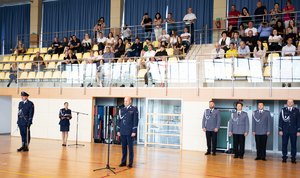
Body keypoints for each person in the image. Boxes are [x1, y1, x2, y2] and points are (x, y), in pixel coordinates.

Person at [117, 96, 139, 168]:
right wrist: (118, 130)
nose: (125, 102)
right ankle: (123, 162)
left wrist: (134, 131)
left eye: (127, 101)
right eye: (124, 101)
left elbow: (135, 121)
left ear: (130, 101)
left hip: (130, 132)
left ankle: (130, 163)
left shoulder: (134, 109)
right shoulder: (122, 109)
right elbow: (119, 120)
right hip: (123, 131)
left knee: (130, 148)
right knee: (123, 148)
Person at [279, 99, 300, 164]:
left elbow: (298, 121)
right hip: (285, 131)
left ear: (293, 103)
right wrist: (280, 129)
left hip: (293, 131)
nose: (290, 103)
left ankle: (293, 158)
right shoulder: (283, 110)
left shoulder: (296, 110)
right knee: (284, 144)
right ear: (287, 103)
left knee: (293, 145)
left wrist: (298, 130)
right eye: (289, 102)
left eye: (291, 102)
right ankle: (284, 157)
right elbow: (280, 120)